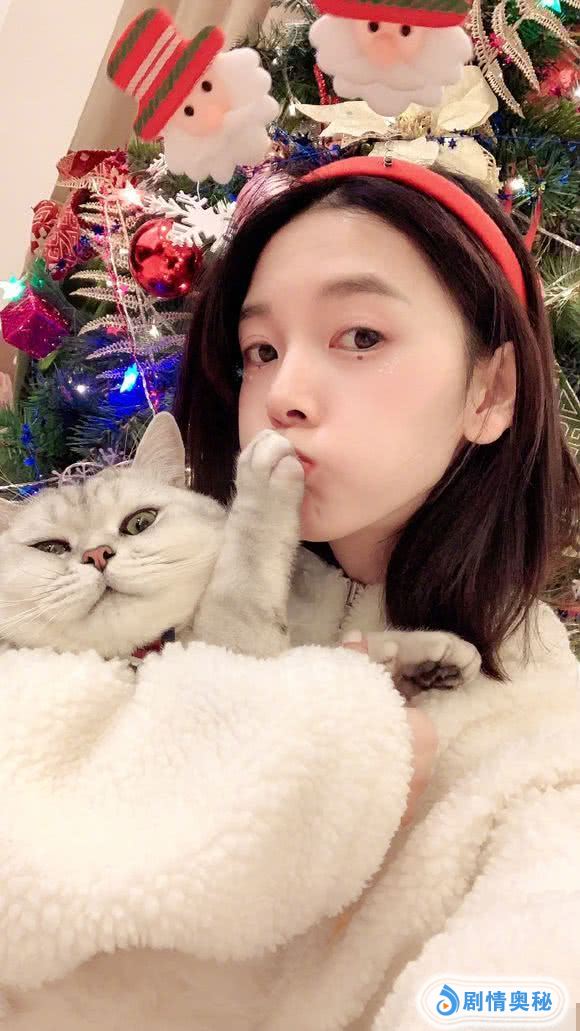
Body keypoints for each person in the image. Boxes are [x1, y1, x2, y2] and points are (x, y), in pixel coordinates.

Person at [0, 157, 578, 1031]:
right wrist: (325, 745)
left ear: (490, 390)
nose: (285, 397)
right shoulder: (163, 594)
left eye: (361, 336)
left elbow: (527, 978)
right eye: (260, 352)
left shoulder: (541, 721)